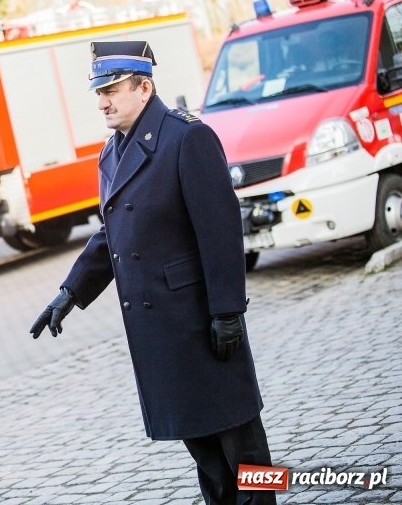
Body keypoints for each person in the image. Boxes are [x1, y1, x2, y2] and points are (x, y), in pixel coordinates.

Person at [29, 41, 275, 505]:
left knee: (246, 454)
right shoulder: (112, 153)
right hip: (161, 334)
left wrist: (227, 312)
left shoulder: (187, 138)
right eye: (97, 91)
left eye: (111, 89)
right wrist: (71, 292)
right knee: (206, 455)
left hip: (202, 323)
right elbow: (112, 235)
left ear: (145, 87)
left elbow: (220, 232)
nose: (102, 101)